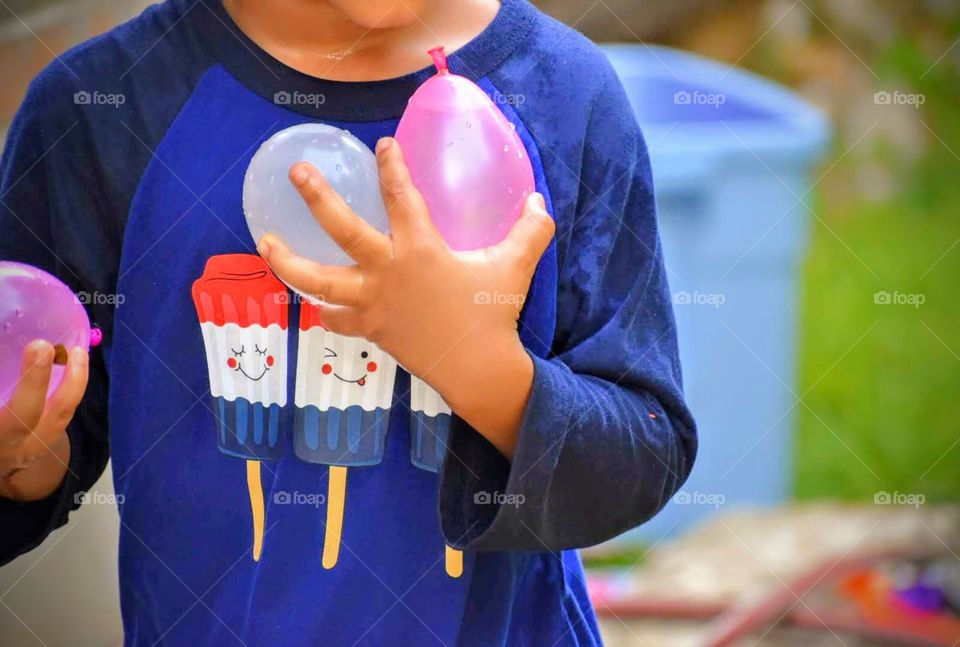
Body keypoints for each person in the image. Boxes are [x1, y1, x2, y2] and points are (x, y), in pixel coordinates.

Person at [0, 0, 697, 644]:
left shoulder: (567, 94)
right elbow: (44, 454)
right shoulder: (99, 109)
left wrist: (471, 360)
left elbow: (641, 457)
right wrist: (20, 455)